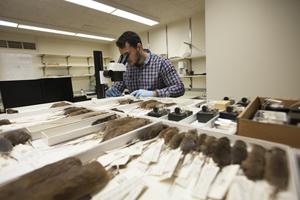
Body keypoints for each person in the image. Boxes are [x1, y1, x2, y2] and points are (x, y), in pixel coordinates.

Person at [106, 31, 185, 98]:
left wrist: (154, 93)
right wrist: (111, 91)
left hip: (157, 111)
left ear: (139, 47)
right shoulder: (126, 68)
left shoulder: (161, 63)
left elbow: (179, 88)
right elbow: (117, 87)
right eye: (122, 56)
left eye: (127, 54)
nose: (125, 59)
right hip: (133, 112)